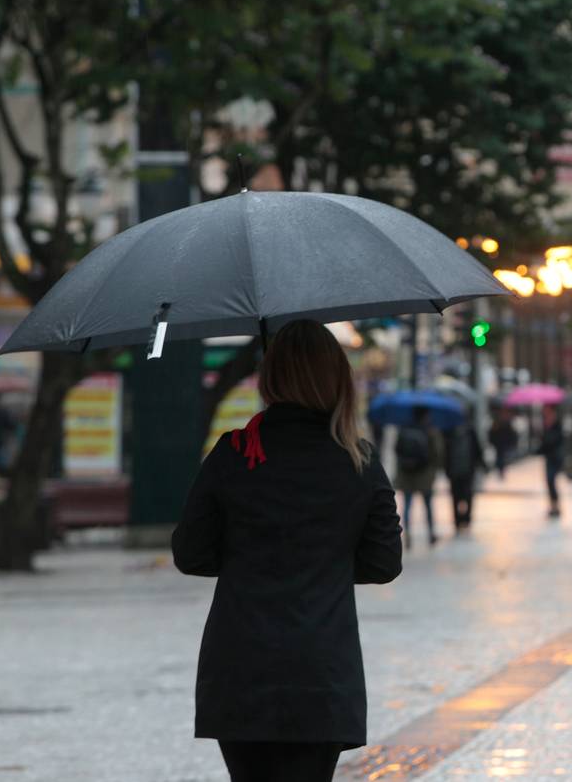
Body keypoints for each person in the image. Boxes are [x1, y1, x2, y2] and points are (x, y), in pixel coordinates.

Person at [171, 319, 402, 782]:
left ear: (269, 378)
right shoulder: (357, 460)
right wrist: (327, 562)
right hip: (322, 669)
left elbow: (191, 554)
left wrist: (248, 557)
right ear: (337, 379)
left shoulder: (234, 453)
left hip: (240, 669)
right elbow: (383, 562)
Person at [395, 408, 445, 547]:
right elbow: (438, 453)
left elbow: (397, 450)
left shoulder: (404, 429)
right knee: (428, 506)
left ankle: (407, 536)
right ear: (426, 415)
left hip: (407, 475)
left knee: (407, 506)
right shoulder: (430, 431)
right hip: (425, 475)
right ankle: (431, 534)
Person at [445, 417, 485, 531]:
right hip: (468, 470)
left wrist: (446, 469)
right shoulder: (470, 432)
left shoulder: (449, 432)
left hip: (454, 471)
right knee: (468, 496)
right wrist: (482, 464)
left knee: (456, 497)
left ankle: (458, 520)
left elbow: (446, 452)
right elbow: (477, 450)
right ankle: (466, 519)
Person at [539, 405, 565, 518]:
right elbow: (544, 443)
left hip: (556, 458)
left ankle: (555, 506)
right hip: (549, 458)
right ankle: (553, 506)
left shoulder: (557, 425)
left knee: (551, 480)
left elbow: (555, 441)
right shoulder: (546, 425)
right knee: (550, 482)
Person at [488, 409, 517, 479]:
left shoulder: (506, 422)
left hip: (504, 443)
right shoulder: (497, 423)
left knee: (502, 458)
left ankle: (501, 470)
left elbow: (511, 433)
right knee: (500, 458)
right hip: (499, 444)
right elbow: (492, 433)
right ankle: (500, 470)